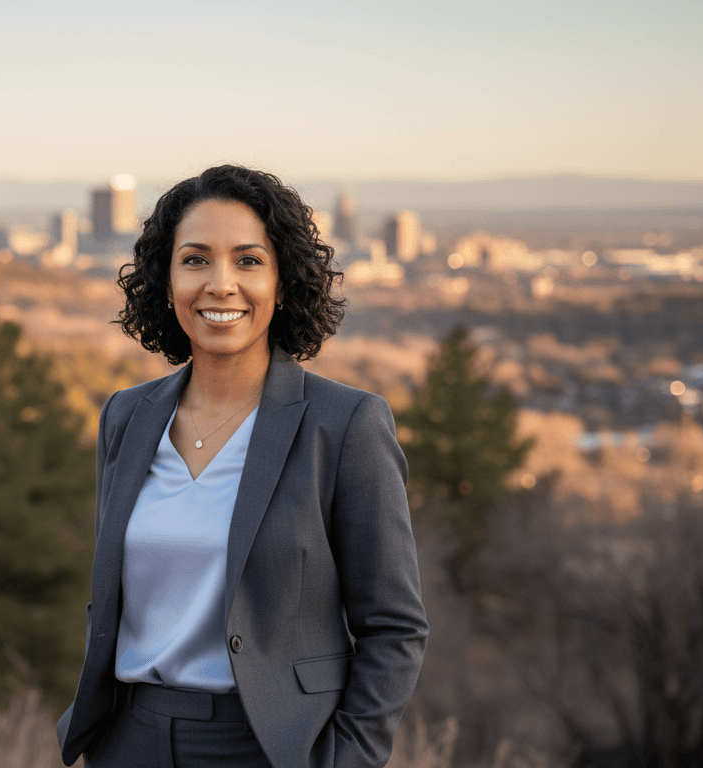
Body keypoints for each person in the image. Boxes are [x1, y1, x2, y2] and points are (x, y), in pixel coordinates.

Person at [56, 165, 427, 768]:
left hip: (266, 747)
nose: (220, 284)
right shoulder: (126, 418)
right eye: (196, 259)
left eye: (249, 261)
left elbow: (395, 628)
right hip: (129, 741)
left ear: (283, 283)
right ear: (166, 278)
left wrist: (347, 759)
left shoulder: (344, 426)